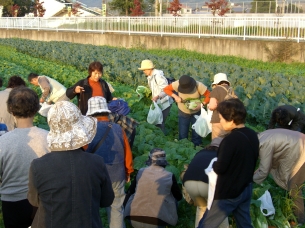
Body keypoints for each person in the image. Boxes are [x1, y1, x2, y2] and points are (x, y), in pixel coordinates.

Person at [27, 101, 115, 228]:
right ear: (80, 130)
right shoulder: (96, 162)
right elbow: (106, 200)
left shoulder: (38, 165)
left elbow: (34, 201)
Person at [198, 98, 259, 228]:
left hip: (229, 192)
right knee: (244, 224)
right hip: (246, 187)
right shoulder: (252, 134)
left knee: (207, 224)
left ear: (231, 120)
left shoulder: (230, 140)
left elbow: (220, 168)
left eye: (221, 118)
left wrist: (213, 164)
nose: (220, 122)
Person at [0, 86, 50, 228]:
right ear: (36, 109)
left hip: (12, 203)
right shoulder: (48, 138)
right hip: (43, 201)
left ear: (11, 110)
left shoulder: (2, 142)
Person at [85, 96, 134, 228]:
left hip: (92, 175)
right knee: (116, 208)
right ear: (107, 112)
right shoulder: (118, 129)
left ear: (90, 114)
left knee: (91, 209)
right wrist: (128, 171)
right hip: (116, 174)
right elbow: (127, 152)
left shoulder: (86, 130)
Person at [253, 129, 305, 226]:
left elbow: (264, 171)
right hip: (300, 146)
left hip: (303, 151)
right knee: (292, 186)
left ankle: (300, 222)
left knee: (294, 187)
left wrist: (249, 182)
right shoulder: (263, 136)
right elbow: (265, 166)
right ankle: (292, 213)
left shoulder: (263, 143)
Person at [124, 148, 182, 228]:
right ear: (164, 161)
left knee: (132, 193)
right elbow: (179, 197)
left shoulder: (141, 172)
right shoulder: (169, 176)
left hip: (134, 219)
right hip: (157, 223)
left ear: (150, 160)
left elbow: (130, 191)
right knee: (173, 198)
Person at [182, 137, 229, 228]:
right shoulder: (223, 156)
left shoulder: (201, 153)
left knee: (202, 208)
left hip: (189, 183)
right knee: (219, 210)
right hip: (207, 184)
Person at [164, 75, 210, 146]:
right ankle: (183, 146)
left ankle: (196, 147)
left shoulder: (199, 86)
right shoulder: (177, 84)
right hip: (183, 111)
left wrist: (201, 104)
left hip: (196, 112)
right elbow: (166, 89)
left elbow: (209, 95)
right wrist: (175, 96)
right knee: (183, 132)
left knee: (197, 132)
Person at [138, 60, 174, 132]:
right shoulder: (150, 76)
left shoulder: (158, 76)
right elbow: (155, 89)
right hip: (158, 101)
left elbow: (166, 90)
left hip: (165, 102)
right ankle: (158, 134)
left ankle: (162, 138)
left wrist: (158, 96)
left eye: (144, 70)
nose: (144, 71)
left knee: (159, 121)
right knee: (157, 120)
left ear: (150, 69)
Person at [209, 73, 235, 139]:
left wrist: (209, 107)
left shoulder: (216, 90)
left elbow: (212, 106)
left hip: (218, 121)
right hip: (231, 121)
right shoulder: (232, 90)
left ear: (216, 83)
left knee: (217, 142)